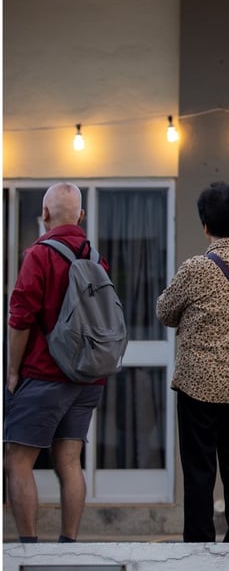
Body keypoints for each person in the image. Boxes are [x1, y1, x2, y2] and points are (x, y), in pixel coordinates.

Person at [156, 182, 229, 542]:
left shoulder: (194, 269)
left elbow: (164, 311)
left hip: (198, 386)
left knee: (199, 470)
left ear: (205, 225)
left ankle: (199, 544)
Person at [4, 182, 106, 544]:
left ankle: (29, 547)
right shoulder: (96, 258)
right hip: (87, 378)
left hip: (43, 374)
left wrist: (13, 371)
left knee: (17, 460)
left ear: (44, 214)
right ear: (81, 216)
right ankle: (68, 546)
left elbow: (20, 318)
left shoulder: (39, 254)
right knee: (69, 460)